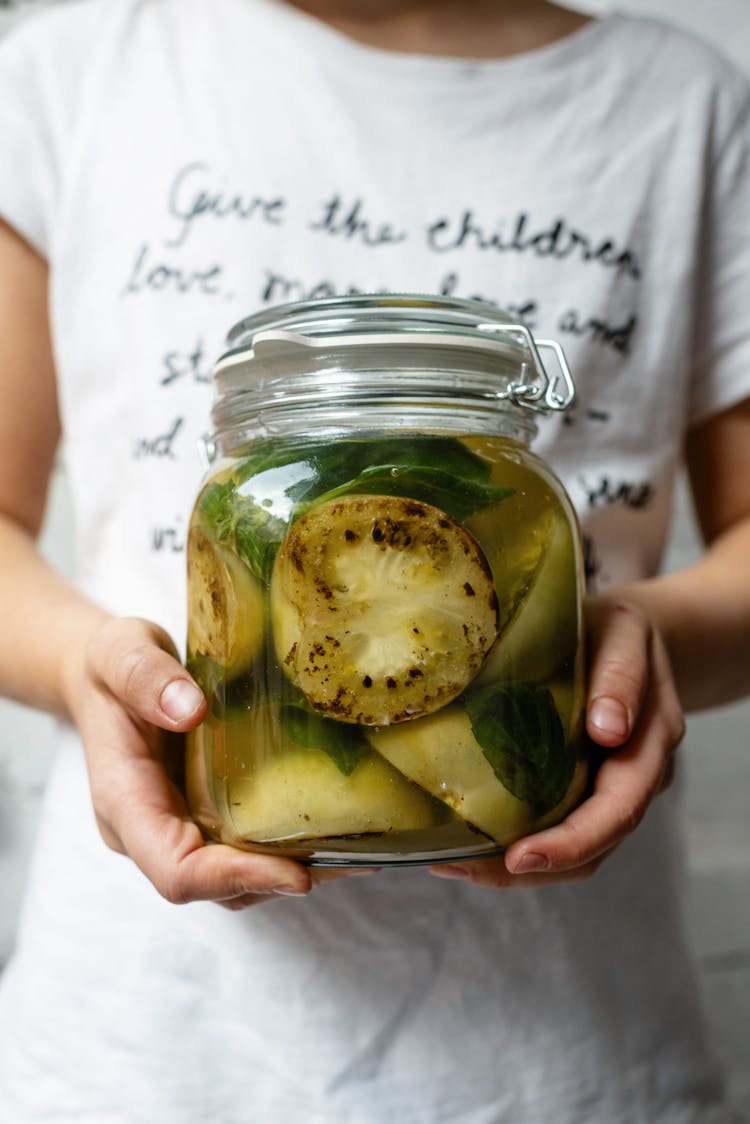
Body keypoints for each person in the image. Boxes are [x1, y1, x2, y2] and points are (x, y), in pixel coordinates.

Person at [0, 0, 748, 1119]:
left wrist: (644, 642)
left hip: (574, 1056)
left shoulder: (690, 101)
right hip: (141, 1053)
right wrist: (80, 666)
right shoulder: (62, 72)